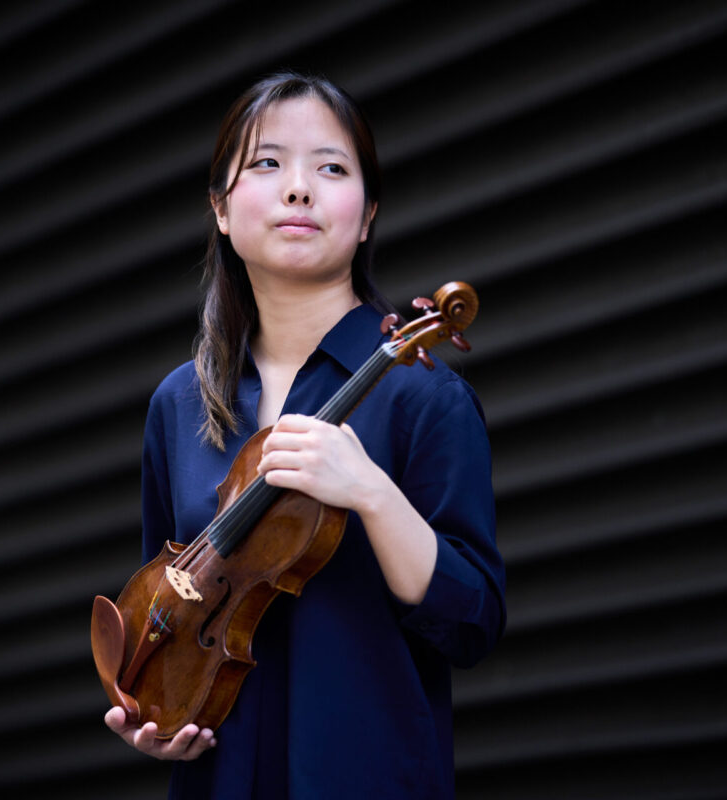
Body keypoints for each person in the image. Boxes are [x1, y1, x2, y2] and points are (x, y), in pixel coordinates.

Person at [104, 71, 506, 800]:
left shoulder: (423, 396)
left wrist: (373, 496)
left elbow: (472, 622)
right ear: (221, 211)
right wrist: (150, 706)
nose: (299, 189)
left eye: (331, 167)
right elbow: (167, 600)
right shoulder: (179, 403)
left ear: (367, 213)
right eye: (267, 163)